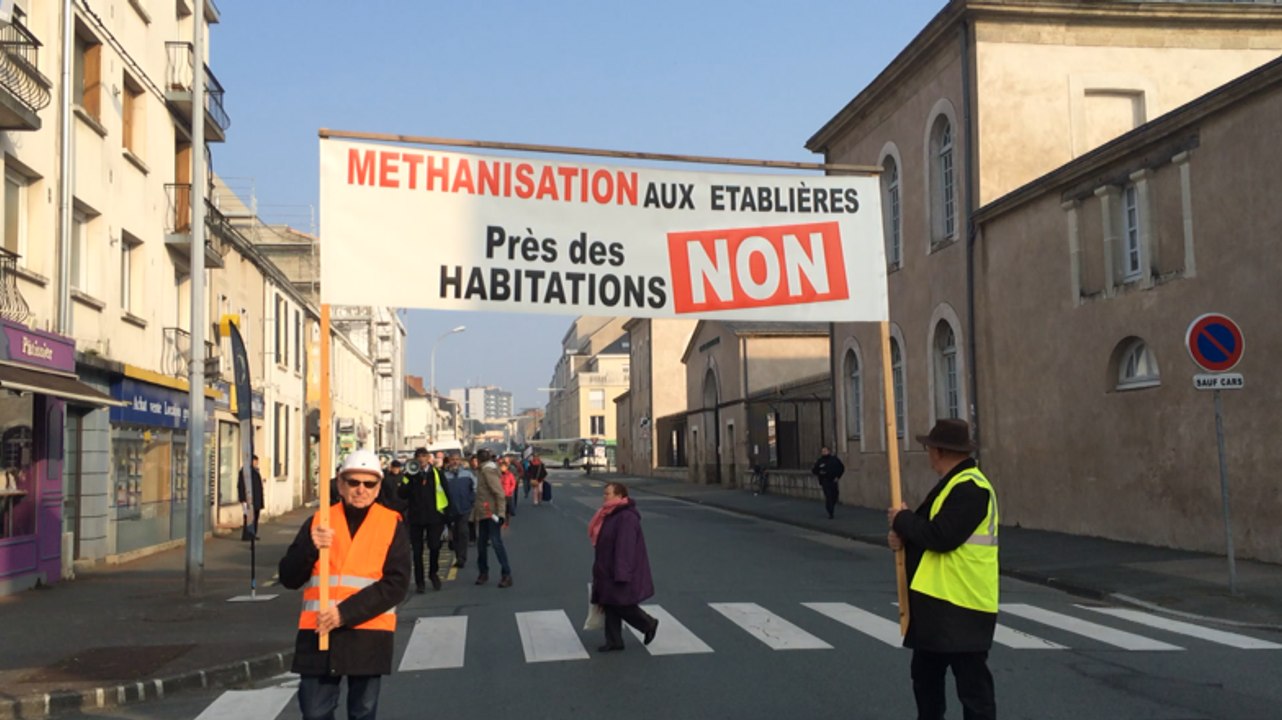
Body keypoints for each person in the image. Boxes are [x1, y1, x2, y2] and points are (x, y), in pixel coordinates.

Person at [278, 449, 411, 720]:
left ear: (377, 488)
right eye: (353, 482)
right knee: (314, 712)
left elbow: (396, 584)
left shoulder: (390, 524)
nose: (360, 490)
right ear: (340, 484)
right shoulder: (319, 521)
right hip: (319, 634)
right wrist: (310, 547)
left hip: (367, 633)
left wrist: (344, 613)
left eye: (369, 484)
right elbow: (289, 577)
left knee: (362, 713)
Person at [887, 419, 998, 720]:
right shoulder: (951, 484)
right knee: (926, 682)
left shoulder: (971, 488)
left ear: (938, 451)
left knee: (973, 691)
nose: (928, 454)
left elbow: (941, 537)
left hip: (962, 603)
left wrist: (902, 519)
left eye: (929, 448)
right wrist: (904, 537)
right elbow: (929, 534)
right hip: (938, 605)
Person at [589, 481, 658, 652]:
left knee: (621, 603)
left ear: (619, 496)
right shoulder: (610, 513)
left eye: (608, 494)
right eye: (604, 493)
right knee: (609, 603)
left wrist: (622, 572)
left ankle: (648, 623)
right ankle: (614, 641)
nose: (604, 497)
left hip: (618, 568)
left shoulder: (626, 517)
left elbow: (625, 547)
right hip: (607, 566)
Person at [398, 447, 453, 593]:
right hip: (416, 518)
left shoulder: (436, 473)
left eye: (424, 456)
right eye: (419, 457)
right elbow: (401, 493)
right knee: (417, 552)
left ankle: (433, 573)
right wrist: (408, 477)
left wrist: (448, 517)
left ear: (428, 458)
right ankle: (419, 582)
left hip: (434, 517)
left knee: (435, 547)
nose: (421, 460)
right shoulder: (410, 474)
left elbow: (446, 492)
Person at [471, 449, 512, 588]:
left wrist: (501, 514)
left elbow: (499, 493)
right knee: (481, 544)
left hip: (491, 513)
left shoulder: (487, 471)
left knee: (496, 543)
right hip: (483, 512)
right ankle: (483, 572)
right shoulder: (483, 470)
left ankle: (506, 574)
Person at [443, 455, 475, 568]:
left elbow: (475, 488)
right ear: (449, 461)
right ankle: (458, 556)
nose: (455, 462)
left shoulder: (468, 474)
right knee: (455, 534)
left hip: (464, 508)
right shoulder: (445, 476)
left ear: (460, 461)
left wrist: (471, 501)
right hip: (450, 509)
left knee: (463, 532)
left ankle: (462, 557)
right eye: (452, 459)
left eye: (457, 460)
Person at [811, 446, 845, 519]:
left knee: (835, 494)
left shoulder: (834, 459)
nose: (824, 452)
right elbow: (814, 470)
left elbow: (841, 468)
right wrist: (820, 472)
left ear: (829, 451)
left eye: (825, 451)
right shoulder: (820, 461)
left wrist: (838, 477)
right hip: (825, 481)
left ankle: (831, 505)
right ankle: (830, 512)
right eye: (823, 451)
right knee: (828, 496)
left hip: (833, 480)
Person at [237, 454, 265, 540]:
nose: (257, 463)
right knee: (248, 517)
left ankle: (253, 534)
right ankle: (247, 535)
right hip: (249, 499)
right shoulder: (245, 472)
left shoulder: (255, 471)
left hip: (256, 499)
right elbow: (241, 485)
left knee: (255, 517)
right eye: (255, 461)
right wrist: (243, 499)